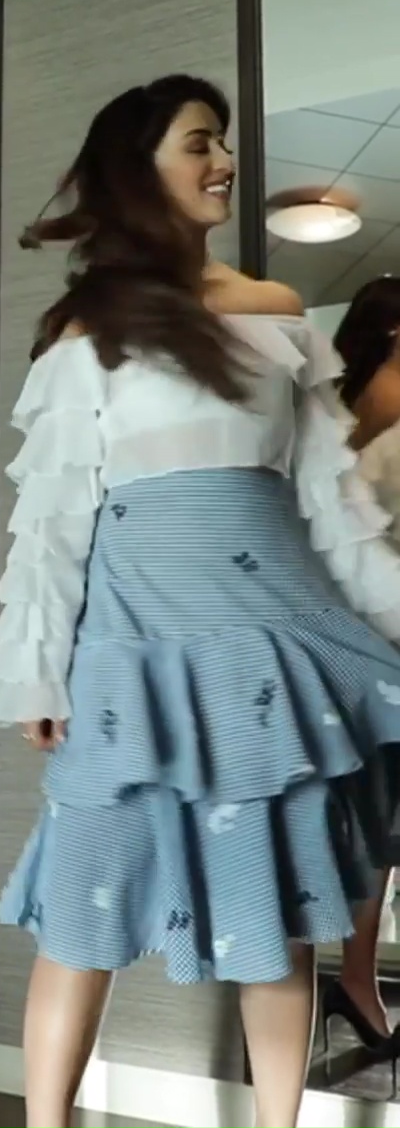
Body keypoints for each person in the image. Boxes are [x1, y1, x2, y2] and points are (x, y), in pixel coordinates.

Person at [0, 75, 400, 1128]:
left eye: (223, 144)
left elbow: (334, 508)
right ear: (140, 168)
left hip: (273, 644)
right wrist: (35, 668)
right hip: (133, 647)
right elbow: (53, 518)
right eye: (199, 144)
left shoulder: (275, 312)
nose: (223, 164)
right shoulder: (88, 327)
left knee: (280, 919)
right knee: (79, 918)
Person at [321, 276, 400, 1049]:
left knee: (377, 823)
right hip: (371, 638)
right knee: (373, 822)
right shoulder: (370, 410)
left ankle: (357, 979)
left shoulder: (345, 410)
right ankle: (352, 980)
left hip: (363, 639)